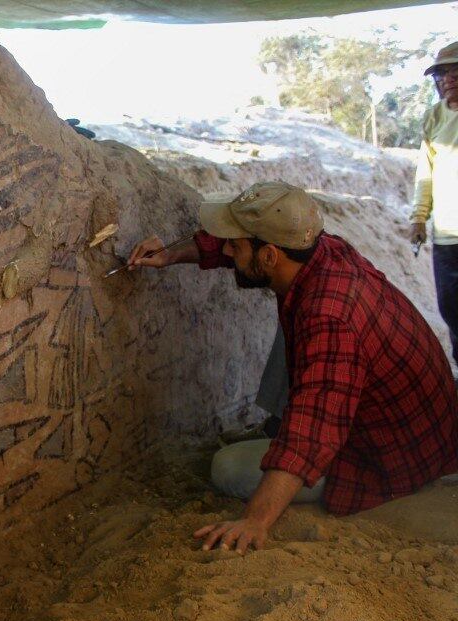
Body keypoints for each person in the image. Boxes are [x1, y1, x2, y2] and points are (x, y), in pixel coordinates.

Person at [128, 181, 458, 554]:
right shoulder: (319, 253)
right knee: (293, 318)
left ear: (269, 256)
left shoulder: (330, 319)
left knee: (228, 468)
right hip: (411, 419)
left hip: (389, 454)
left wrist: (255, 521)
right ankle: (274, 429)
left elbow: (314, 430)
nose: (225, 249)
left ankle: (278, 446)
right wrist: (172, 254)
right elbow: (240, 248)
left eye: (233, 246)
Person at [411, 40, 458, 364]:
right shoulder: (434, 117)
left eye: (456, 72)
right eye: (442, 74)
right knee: (452, 309)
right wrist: (418, 218)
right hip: (446, 237)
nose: (448, 80)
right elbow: (424, 171)